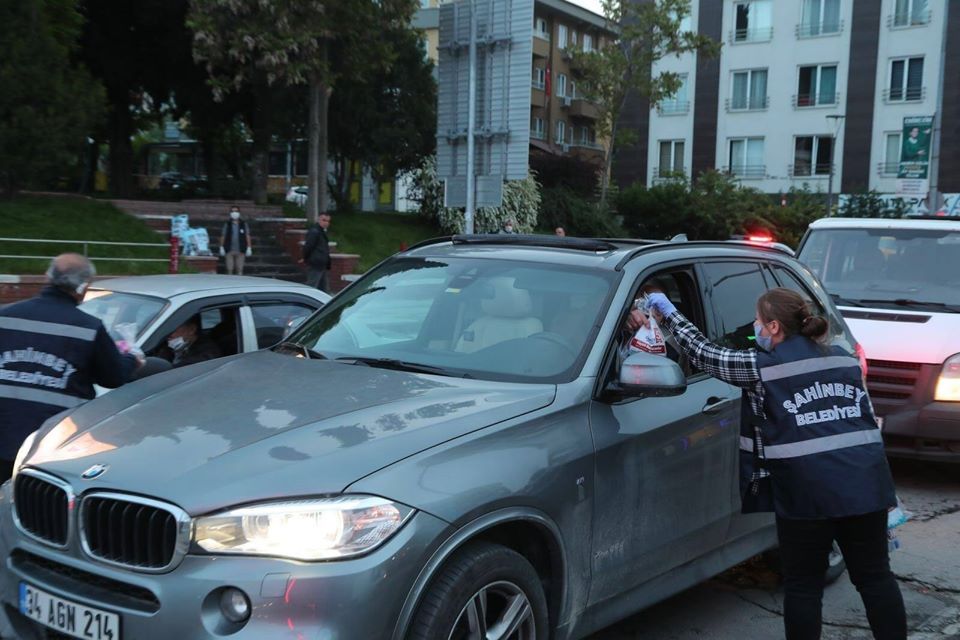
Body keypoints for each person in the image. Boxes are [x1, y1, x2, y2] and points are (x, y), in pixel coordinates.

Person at [642, 288, 905, 640]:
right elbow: (865, 419)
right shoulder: (844, 359)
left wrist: (668, 312)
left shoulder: (761, 367)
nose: (755, 328)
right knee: (875, 579)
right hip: (866, 487)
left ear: (775, 326)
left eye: (758, 321)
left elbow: (704, 353)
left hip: (808, 496)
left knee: (804, 586)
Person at [0, 254, 141, 481]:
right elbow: (113, 378)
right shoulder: (88, 327)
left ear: (47, 277)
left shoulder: (5, 316)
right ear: (83, 287)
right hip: (50, 444)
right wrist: (133, 359)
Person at [301, 213, 332, 292]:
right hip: (316, 263)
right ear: (318, 220)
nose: (326, 223)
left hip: (321, 264)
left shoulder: (321, 232)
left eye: (328, 221)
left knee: (323, 289)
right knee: (312, 287)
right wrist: (305, 258)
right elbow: (308, 247)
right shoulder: (314, 232)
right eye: (324, 220)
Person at [218, 206, 253, 275]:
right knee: (229, 269)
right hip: (229, 249)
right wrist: (221, 247)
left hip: (240, 250)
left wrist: (249, 247)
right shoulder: (227, 224)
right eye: (233, 211)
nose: (234, 213)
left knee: (239, 270)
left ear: (239, 213)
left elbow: (247, 236)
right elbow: (223, 236)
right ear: (230, 213)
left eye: (236, 211)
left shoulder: (243, 224)